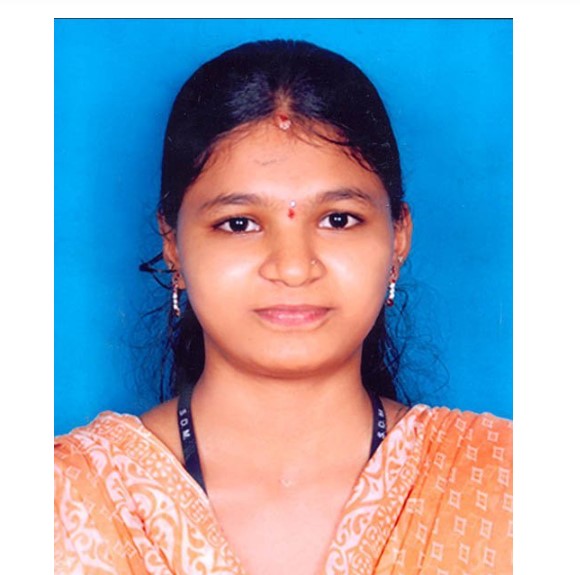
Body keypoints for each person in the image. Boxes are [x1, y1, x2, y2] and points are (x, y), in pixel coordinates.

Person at [54, 39, 512, 575]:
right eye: (239, 223)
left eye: (338, 219)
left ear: (399, 239)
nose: (293, 268)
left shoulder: (508, 485)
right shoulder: (63, 502)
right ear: (172, 245)